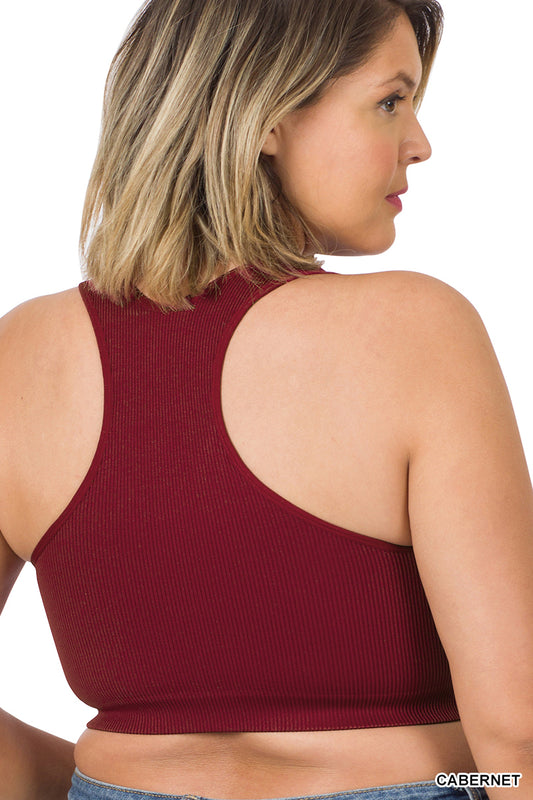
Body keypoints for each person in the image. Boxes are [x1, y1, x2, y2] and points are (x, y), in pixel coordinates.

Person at [0, 0, 532, 799]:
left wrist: (93, 782)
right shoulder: (415, 327)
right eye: (390, 100)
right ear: (267, 116)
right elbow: (516, 731)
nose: (419, 143)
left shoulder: (23, 352)